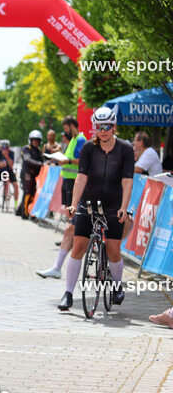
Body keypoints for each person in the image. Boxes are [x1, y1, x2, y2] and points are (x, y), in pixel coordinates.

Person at [56, 107, 134, 311]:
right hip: (89, 202)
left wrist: (124, 208)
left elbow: (127, 182)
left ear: (114, 126)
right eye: (99, 127)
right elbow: (81, 178)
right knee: (79, 246)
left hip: (114, 203)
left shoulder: (125, 149)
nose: (103, 130)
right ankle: (68, 294)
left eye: (107, 126)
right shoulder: (89, 149)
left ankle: (117, 286)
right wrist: (74, 203)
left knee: (114, 250)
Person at [36, 116, 88, 279]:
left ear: (72, 126)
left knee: (71, 226)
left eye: (66, 128)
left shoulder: (80, 139)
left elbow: (81, 161)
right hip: (68, 180)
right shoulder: (73, 140)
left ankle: (59, 266)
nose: (64, 132)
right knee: (69, 224)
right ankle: (57, 266)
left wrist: (67, 160)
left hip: (76, 183)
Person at [19, 130, 45, 219]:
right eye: (34, 140)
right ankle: (25, 213)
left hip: (35, 175)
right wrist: (40, 164)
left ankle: (20, 210)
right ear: (30, 140)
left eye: (37, 140)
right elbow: (28, 160)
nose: (36, 142)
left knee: (33, 192)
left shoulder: (38, 151)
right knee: (27, 192)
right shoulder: (26, 149)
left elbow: (43, 160)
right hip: (27, 173)